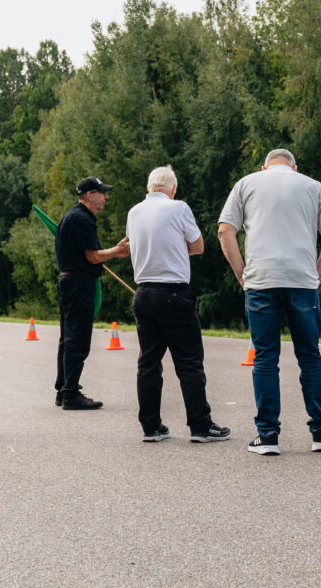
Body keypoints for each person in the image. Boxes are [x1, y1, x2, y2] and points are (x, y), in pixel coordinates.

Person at [217, 149, 321, 456]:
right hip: (301, 281)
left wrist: (241, 273)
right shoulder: (312, 186)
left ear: (265, 167)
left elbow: (225, 230)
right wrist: (318, 274)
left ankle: (268, 436)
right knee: (310, 356)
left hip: (261, 281)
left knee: (265, 358)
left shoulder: (247, 183)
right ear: (294, 167)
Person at [125, 166, 230, 443]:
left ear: (149, 188)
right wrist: (175, 247)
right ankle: (200, 425)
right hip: (173, 293)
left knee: (148, 362)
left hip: (143, 293)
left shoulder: (134, 212)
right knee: (189, 362)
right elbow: (198, 246)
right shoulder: (178, 208)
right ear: (173, 189)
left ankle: (151, 426)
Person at [54, 177, 130, 410]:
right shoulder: (82, 218)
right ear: (89, 195)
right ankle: (70, 395)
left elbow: (91, 254)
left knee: (67, 339)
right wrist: (116, 252)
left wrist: (113, 251)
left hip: (70, 282)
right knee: (77, 340)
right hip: (79, 284)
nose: (105, 197)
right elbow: (93, 256)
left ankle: (64, 389)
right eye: (102, 193)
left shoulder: (73, 216)